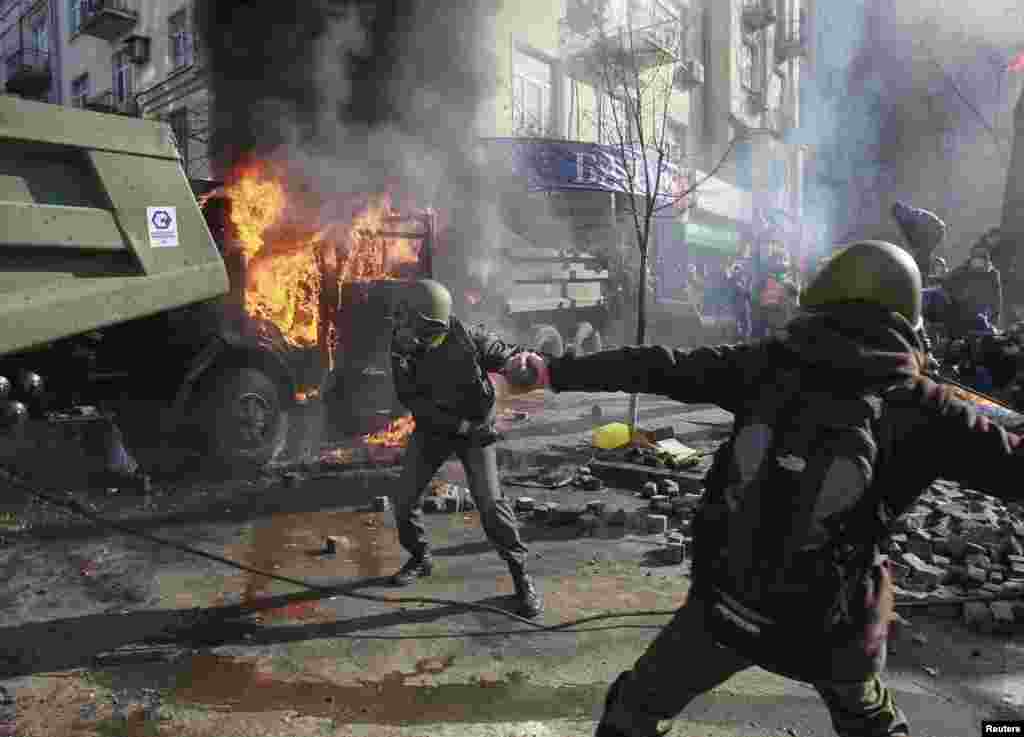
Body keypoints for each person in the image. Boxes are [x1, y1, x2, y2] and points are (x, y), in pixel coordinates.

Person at [504, 241, 1024, 736]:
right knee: (869, 720)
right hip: (833, 629)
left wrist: (554, 370)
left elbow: (658, 366)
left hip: (730, 605)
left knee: (634, 708)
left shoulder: (763, 366)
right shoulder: (928, 408)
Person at [388, 279, 543, 618]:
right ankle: (420, 557)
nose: (403, 326)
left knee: (491, 505)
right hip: (436, 429)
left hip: (476, 429)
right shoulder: (402, 348)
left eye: (412, 319)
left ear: (432, 323)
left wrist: (522, 365)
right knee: (404, 500)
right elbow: (410, 398)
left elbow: (507, 356)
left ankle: (522, 578)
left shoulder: (469, 339)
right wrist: (456, 426)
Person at [944, 241, 1003, 337]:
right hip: (962, 312)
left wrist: (995, 317)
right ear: (971, 259)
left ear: (986, 261)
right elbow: (946, 284)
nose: (977, 262)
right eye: (975, 259)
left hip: (983, 311)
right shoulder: (961, 271)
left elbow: (996, 297)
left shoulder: (992, 274)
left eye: (981, 259)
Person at [891, 201, 947, 280]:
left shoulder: (908, 216)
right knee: (922, 254)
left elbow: (911, 237)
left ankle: (923, 275)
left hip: (934, 229)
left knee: (923, 254)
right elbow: (908, 239)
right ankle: (924, 272)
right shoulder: (907, 216)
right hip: (933, 229)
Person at [725, 261, 752, 340]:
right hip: (737, 306)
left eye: (739, 270)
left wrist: (746, 290)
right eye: (736, 270)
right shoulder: (732, 280)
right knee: (738, 324)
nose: (738, 271)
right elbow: (739, 291)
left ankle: (744, 337)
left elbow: (747, 293)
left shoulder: (742, 280)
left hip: (743, 305)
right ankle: (739, 337)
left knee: (745, 324)